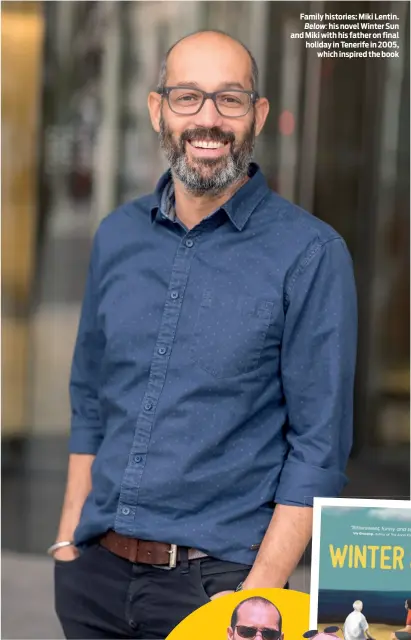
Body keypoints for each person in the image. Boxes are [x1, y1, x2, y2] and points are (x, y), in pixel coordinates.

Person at [51, 28, 358, 639]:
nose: (208, 120)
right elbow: (90, 402)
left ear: (258, 114)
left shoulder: (311, 254)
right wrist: (66, 544)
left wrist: (257, 601)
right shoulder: (116, 236)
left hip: (219, 593)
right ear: (157, 108)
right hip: (95, 583)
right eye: (188, 97)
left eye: (231, 99)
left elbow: (318, 451)